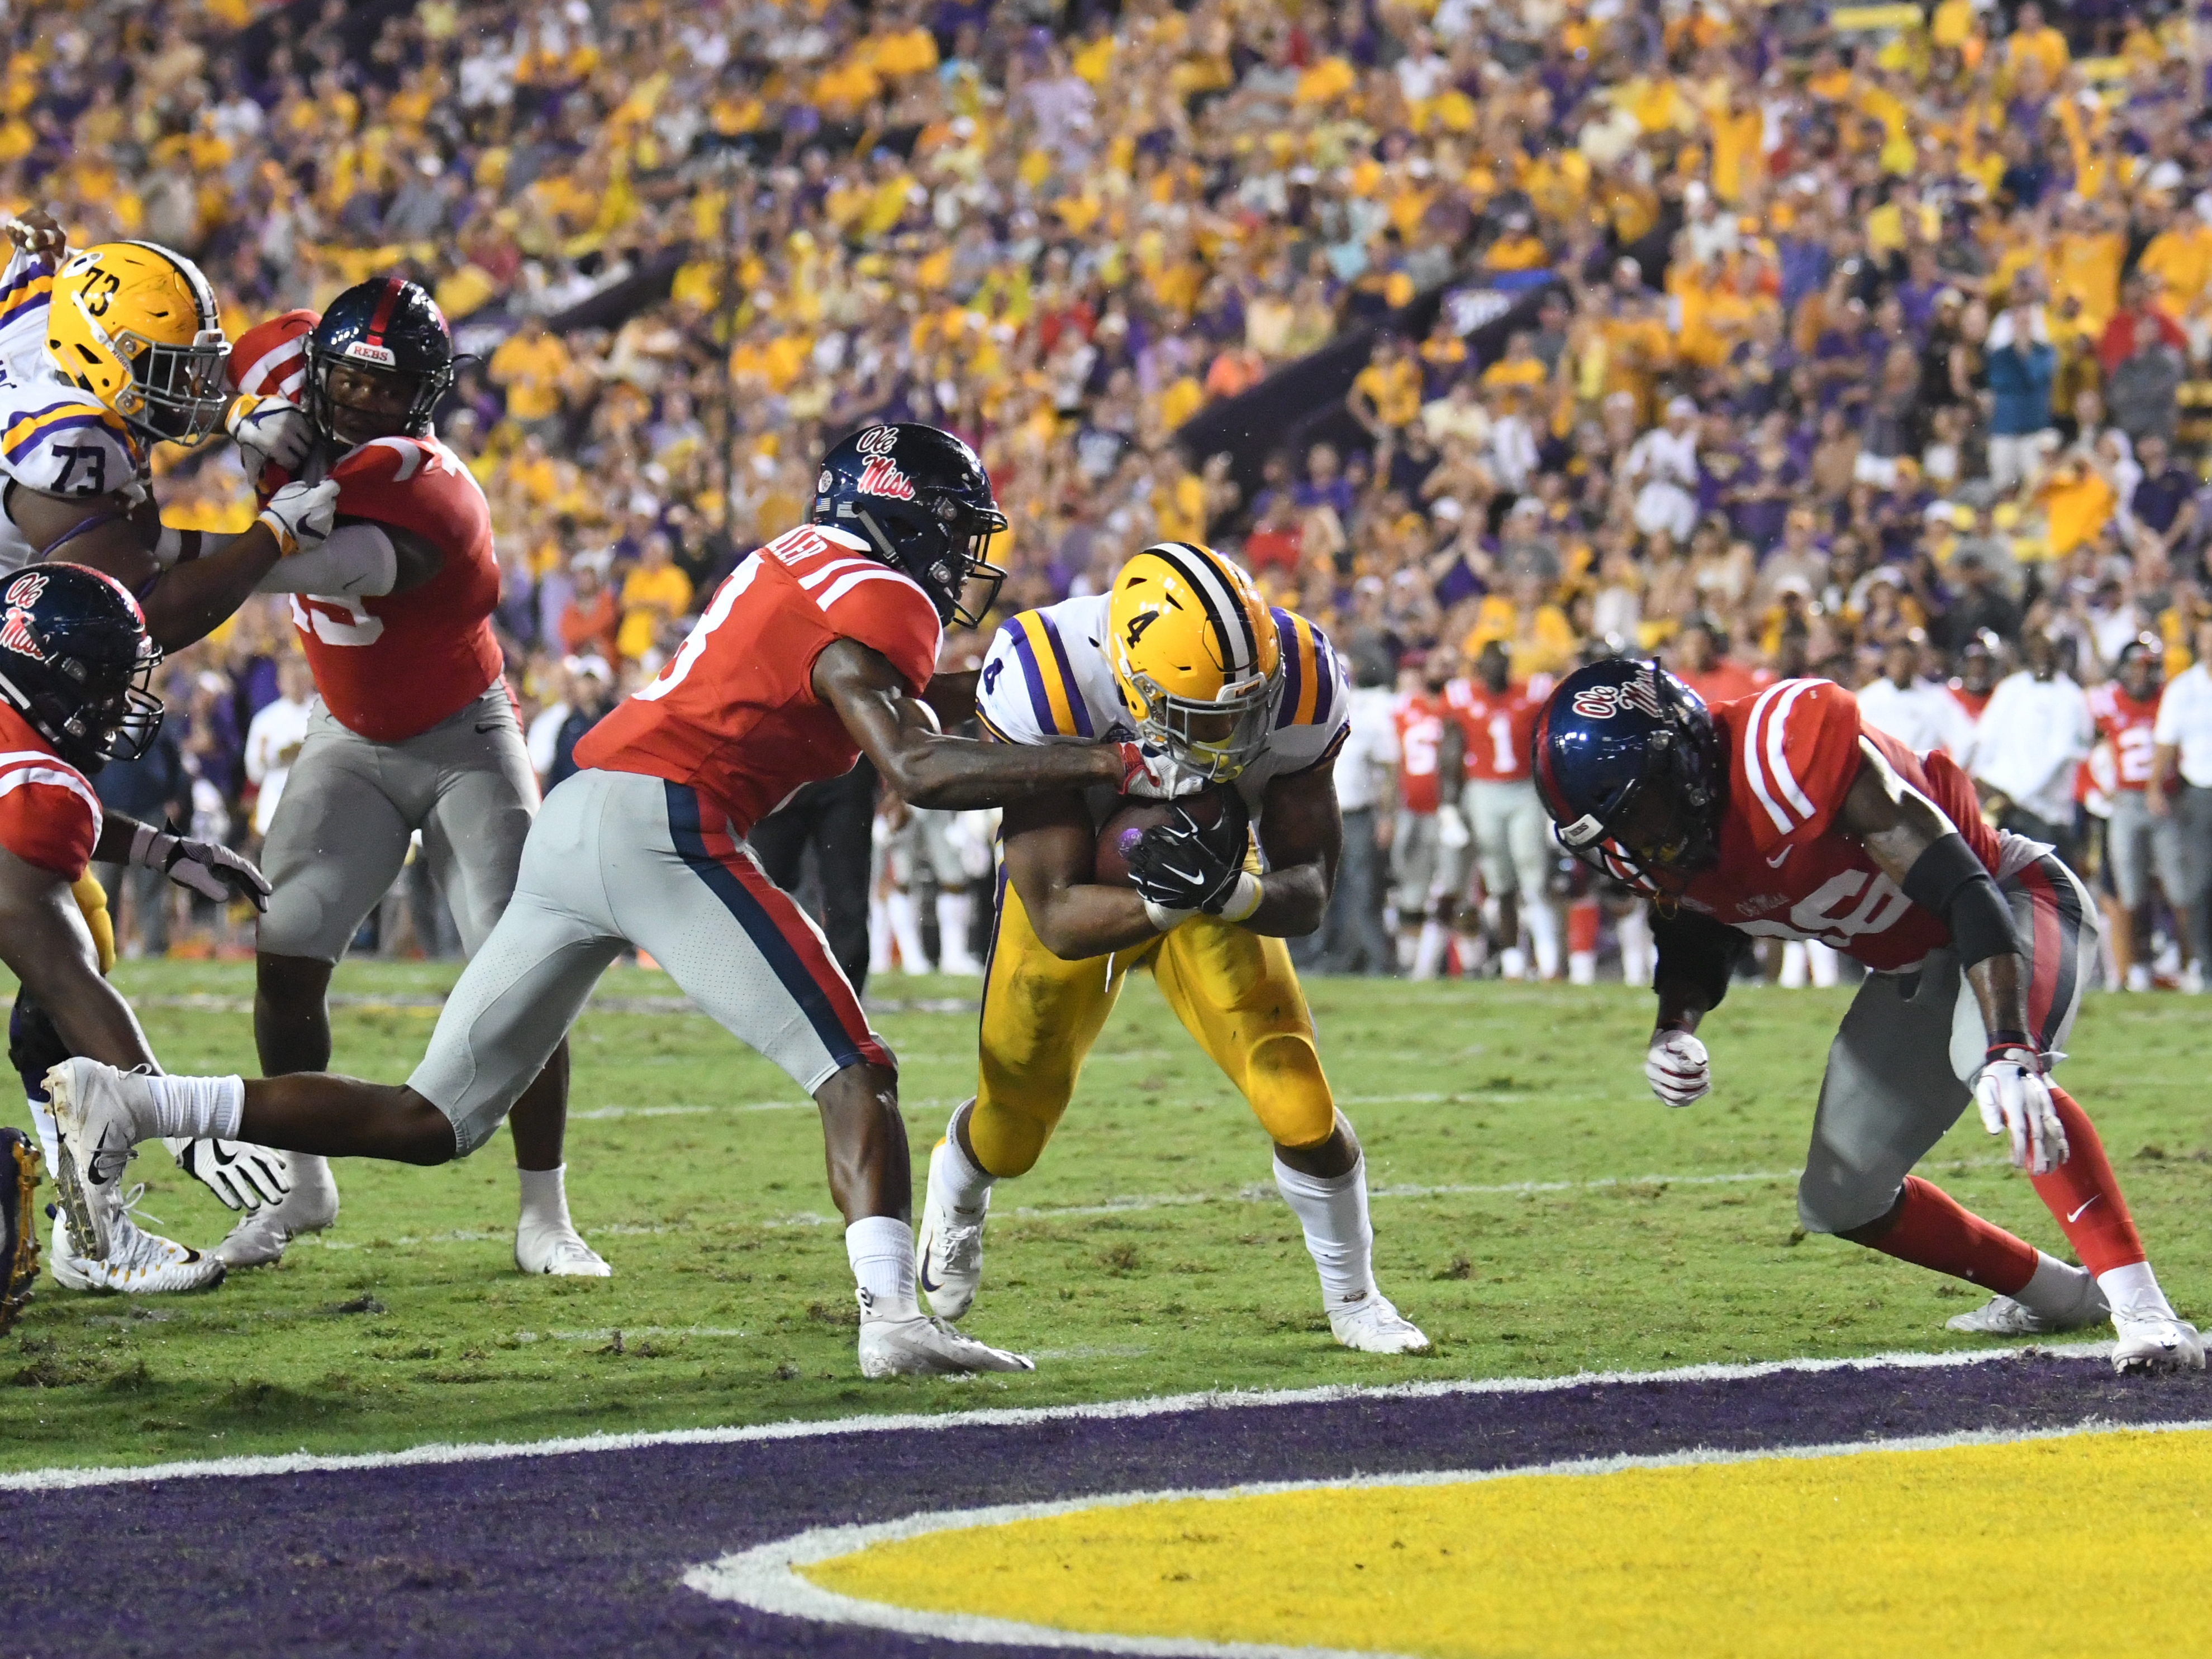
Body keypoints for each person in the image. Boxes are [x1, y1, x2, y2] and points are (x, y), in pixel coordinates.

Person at [46, 423, 1179, 1379]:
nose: (960, 560)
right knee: (855, 1071)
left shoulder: (806, 565)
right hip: (665, 828)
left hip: (586, 817)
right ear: (901, 521)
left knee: (431, 1120)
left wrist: (1024, 709)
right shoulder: (879, 598)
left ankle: (135, 1105)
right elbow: (918, 771)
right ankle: (891, 1319)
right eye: (950, 531)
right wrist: (1107, 766)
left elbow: (877, 694)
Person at [1534, 659, 2200, 1374]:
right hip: (1915, 963)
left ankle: (2146, 1313)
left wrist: (2010, 1047)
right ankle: (2061, 1296)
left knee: (1996, 1071)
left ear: (1687, 759)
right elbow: (1697, 932)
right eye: (1617, 829)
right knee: (1839, 1196)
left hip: (2008, 900)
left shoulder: (1781, 756)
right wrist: (1676, 1024)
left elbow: (1962, 888)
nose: (1640, 842)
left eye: (1643, 812)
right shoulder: (1662, 849)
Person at [920, 542, 1427, 1354]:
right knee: (1014, 1127)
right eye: (1205, 714)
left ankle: (1355, 1297)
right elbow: (1052, 911)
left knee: (1296, 1096)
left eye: (1248, 705)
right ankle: (960, 1174)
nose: (1234, 730)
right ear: (1129, 681)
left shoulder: (1298, 677)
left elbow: (1309, 889)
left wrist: (1231, 893)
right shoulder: (1043, 676)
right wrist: (1162, 900)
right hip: (1083, 881)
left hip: (1214, 874)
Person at [213, 283, 598, 1276]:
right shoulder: (282, 374)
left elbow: (280, 569)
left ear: (421, 399)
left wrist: (165, 550)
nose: (354, 397)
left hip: (464, 735)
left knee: (528, 964)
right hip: (342, 731)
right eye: (341, 376)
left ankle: (544, 1212)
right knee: (286, 950)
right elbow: (177, 356)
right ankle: (305, 1185)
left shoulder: (425, 489)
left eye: (382, 388)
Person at [0, 565, 277, 1293]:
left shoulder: (26, 750)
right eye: (105, 678)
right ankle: (91, 1232)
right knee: (68, 964)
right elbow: (68, 982)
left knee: (72, 949)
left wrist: (168, 851)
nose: (120, 700)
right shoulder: (34, 787)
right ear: (51, 672)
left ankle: (86, 1225)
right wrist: (182, 1117)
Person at [1447, 641, 1558, 979]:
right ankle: (1513, 961)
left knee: (1533, 875)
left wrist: (1556, 804)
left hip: (1524, 788)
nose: (1497, 669)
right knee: (1499, 881)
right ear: (1479, 667)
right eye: (1490, 662)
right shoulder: (1463, 697)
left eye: (1502, 662)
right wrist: (1448, 806)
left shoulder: (1534, 691)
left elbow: (1551, 745)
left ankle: (1550, 959)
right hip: (1483, 790)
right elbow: (1450, 752)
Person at [2092, 636, 2178, 992]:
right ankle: (2136, 963)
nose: (2141, 675)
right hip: (2122, 802)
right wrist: (2096, 790)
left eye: (2148, 667)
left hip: (2169, 801)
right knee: (2128, 889)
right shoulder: (2102, 701)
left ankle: (2179, 958)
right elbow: (2088, 749)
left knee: (2177, 885)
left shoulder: (2171, 700)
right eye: (2135, 667)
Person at [1967, 628, 2093, 869]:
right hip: (1999, 805)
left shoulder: (2071, 698)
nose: (2042, 656)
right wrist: (1980, 778)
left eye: (2049, 650)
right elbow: (1986, 738)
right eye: (2037, 650)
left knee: (2044, 892)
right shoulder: (2011, 688)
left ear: (2060, 655)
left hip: (2044, 814)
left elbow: (2059, 760)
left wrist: (2015, 797)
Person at [1389, 650, 1468, 978]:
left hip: (1451, 812)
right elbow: (1394, 763)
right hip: (1413, 811)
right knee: (1412, 890)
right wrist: (1390, 811)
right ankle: (1410, 967)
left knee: (1454, 889)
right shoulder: (1404, 708)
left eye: (1449, 666)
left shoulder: (1462, 707)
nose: (1442, 672)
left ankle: (1459, 965)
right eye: (1437, 666)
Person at [2148, 616, 2212, 994]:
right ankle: (2204, 964)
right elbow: (2165, 741)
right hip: (2199, 792)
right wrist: (2154, 785)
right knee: (2201, 882)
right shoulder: (2183, 688)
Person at [1855, 630, 1974, 760]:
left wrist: (1948, 776)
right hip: (1878, 774)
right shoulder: (1868, 698)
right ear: (1887, 663)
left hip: (1917, 775)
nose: (1901, 667)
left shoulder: (1934, 699)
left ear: (1916, 664)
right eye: (1896, 661)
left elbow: (1966, 742)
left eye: (1906, 662)